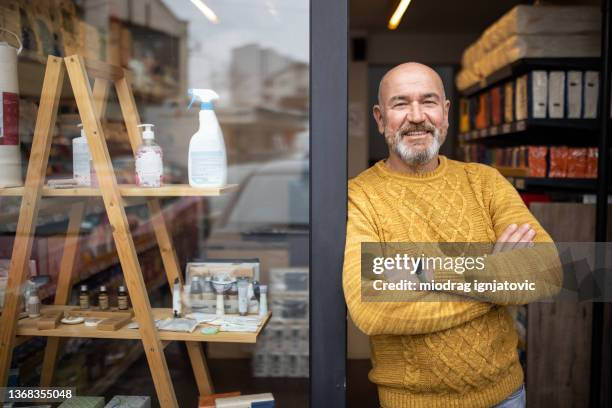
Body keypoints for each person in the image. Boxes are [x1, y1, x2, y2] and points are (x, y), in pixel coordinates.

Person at [342, 62, 562, 408]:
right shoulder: (359, 196)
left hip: (506, 396)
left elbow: (546, 272)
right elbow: (372, 309)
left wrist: (423, 274)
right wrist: (495, 273)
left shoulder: (485, 181)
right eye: (400, 104)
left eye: (428, 102)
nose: (416, 116)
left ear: (445, 113)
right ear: (380, 118)